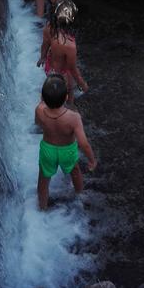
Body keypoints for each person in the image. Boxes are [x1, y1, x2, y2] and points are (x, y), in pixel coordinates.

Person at [35, 74, 97, 210]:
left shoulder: (39, 110)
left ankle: (42, 207)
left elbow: (38, 123)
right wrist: (92, 160)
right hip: (67, 150)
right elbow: (83, 143)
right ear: (67, 97)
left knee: (43, 179)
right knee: (75, 171)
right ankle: (80, 195)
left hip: (48, 150)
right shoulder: (73, 117)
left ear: (43, 98)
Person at [37, 0, 88, 105]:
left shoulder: (48, 28)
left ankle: (45, 105)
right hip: (63, 73)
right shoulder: (70, 46)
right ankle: (69, 108)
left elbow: (45, 45)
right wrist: (82, 83)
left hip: (49, 68)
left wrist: (42, 57)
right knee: (69, 89)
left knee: (52, 90)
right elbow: (72, 69)